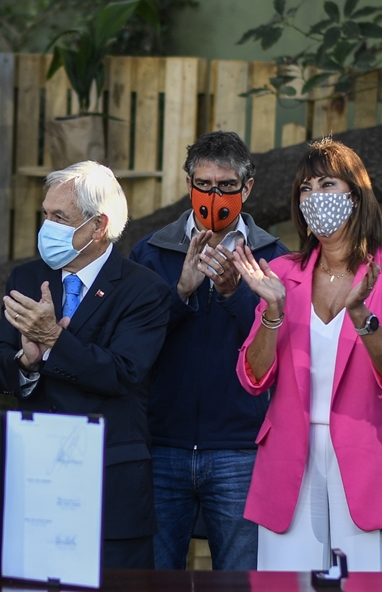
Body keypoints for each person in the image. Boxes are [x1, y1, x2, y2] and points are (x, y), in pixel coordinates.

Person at [231, 139, 382, 574]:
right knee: (284, 586)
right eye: (305, 188)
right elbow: (251, 376)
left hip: (370, 464)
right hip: (288, 463)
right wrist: (273, 315)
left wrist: (361, 316)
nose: (314, 197)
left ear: (355, 195)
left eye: (326, 184)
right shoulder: (281, 273)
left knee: (368, 587)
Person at [0, 161, 170, 569]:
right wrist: (26, 363)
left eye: (59, 217)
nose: (47, 225)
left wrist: (53, 341)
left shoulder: (145, 290)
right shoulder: (27, 277)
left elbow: (123, 372)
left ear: (98, 226)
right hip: (34, 483)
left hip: (109, 487)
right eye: (45, 214)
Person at [129, 131, 289, 570]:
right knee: (155, 578)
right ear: (188, 184)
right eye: (205, 184)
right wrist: (179, 292)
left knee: (240, 578)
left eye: (226, 186)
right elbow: (136, 350)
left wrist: (233, 294)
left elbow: (277, 353)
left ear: (247, 188)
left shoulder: (274, 256)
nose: (214, 195)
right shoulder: (150, 253)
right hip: (162, 446)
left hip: (239, 450)